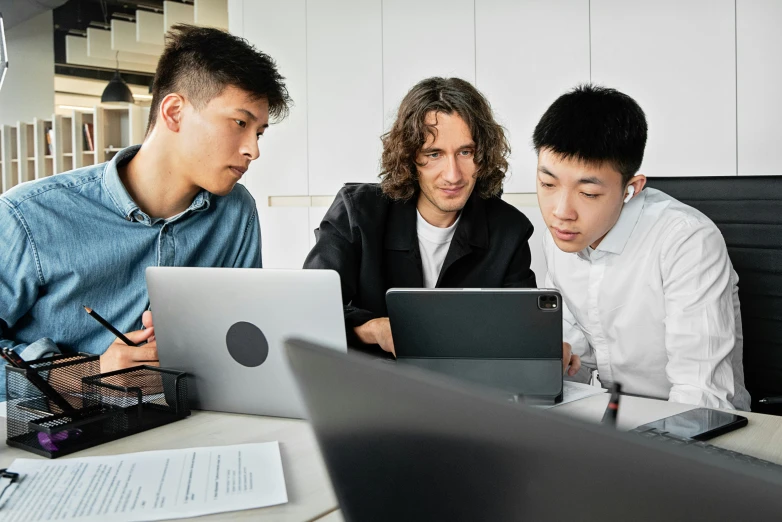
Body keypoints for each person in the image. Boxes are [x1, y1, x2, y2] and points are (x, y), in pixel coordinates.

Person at [0, 24, 291, 399]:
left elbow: (243, 335)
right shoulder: (27, 216)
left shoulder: (236, 211)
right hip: (65, 436)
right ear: (174, 112)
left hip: (196, 418)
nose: (253, 149)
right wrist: (83, 374)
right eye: (240, 123)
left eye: (260, 132)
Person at [304, 77, 580, 375]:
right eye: (434, 154)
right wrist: (372, 330)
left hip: (465, 395)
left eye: (466, 152)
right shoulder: (356, 211)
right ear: (410, 158)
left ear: (482, 154)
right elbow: (309, 311)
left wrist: (542, 348)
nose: (453, 175)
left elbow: (517, 332)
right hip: (367, 386)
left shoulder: (508, 230)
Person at [534, 84, 750, 410]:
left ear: (630, 189)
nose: (560, 212)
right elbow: (578, 360)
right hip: (613, 419)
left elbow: (703, 398)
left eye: (588, 193)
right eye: (548, 184)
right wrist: (557, 364)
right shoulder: (562, 237)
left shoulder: (687, 242)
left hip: (694, 432)